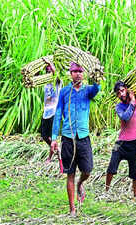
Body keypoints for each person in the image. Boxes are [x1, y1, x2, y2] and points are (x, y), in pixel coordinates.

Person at [50, 62, 100, 216]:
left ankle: (80, 183)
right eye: (75, 71)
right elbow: (58, 115)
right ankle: (72, 209)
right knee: (70, 173)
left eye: (80, 71)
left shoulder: (87, 91)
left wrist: (97, 76)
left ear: (84, 73)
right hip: (67, 138)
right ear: (70, 74)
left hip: (83, 137)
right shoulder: (65, 92)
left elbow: (96, 88)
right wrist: (53, 138)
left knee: (87, 170)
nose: (78, 74)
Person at [105, 81, 136, 197]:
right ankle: (106, 191)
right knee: (111, 167)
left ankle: (135, 197)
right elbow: (125, 117)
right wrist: (132, 103)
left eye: (122, 90)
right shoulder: (119, 106)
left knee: (135, 173)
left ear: (127, 89)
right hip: (121, 142)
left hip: (135, 143)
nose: (121, 94)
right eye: (118, 93)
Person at [40, 63, 62, 162]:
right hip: (46, 112)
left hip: (54, 112)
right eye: (47, 72)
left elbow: (56, 74)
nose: (48, 74)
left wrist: (50, 63)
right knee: (44, 136)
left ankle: (50, 157)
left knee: (51, 136)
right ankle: (57, 149)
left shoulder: (57, 82)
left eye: (50, 72)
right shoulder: (46, 83)